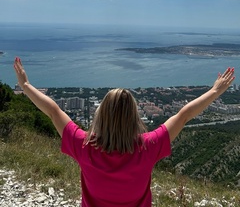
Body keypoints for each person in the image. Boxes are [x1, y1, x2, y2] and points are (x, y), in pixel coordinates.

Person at [13, 57, 235, 207]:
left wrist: (25, 86)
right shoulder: (148, 147)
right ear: (134, 117)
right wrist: (215, 91)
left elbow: (53, 111)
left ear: (101, 116)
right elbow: (184, 116)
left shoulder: (84, 146)